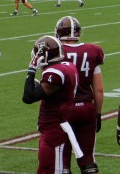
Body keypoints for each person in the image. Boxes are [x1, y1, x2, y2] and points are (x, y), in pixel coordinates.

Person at [22, 36, 79, 174]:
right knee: (44, 170)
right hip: (54, 127)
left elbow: (28, 97)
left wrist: (31, 69)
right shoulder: (67, 66)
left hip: (54, 130)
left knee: (50, 170)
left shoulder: (55, 72)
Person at [57, 16, 103, 173]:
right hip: (86, 108)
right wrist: (97, 113)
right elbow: (98, 89)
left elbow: (49, 88)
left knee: (62, 163)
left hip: (63, 111)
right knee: (88, 160)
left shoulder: (55, 51)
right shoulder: (93, 51)